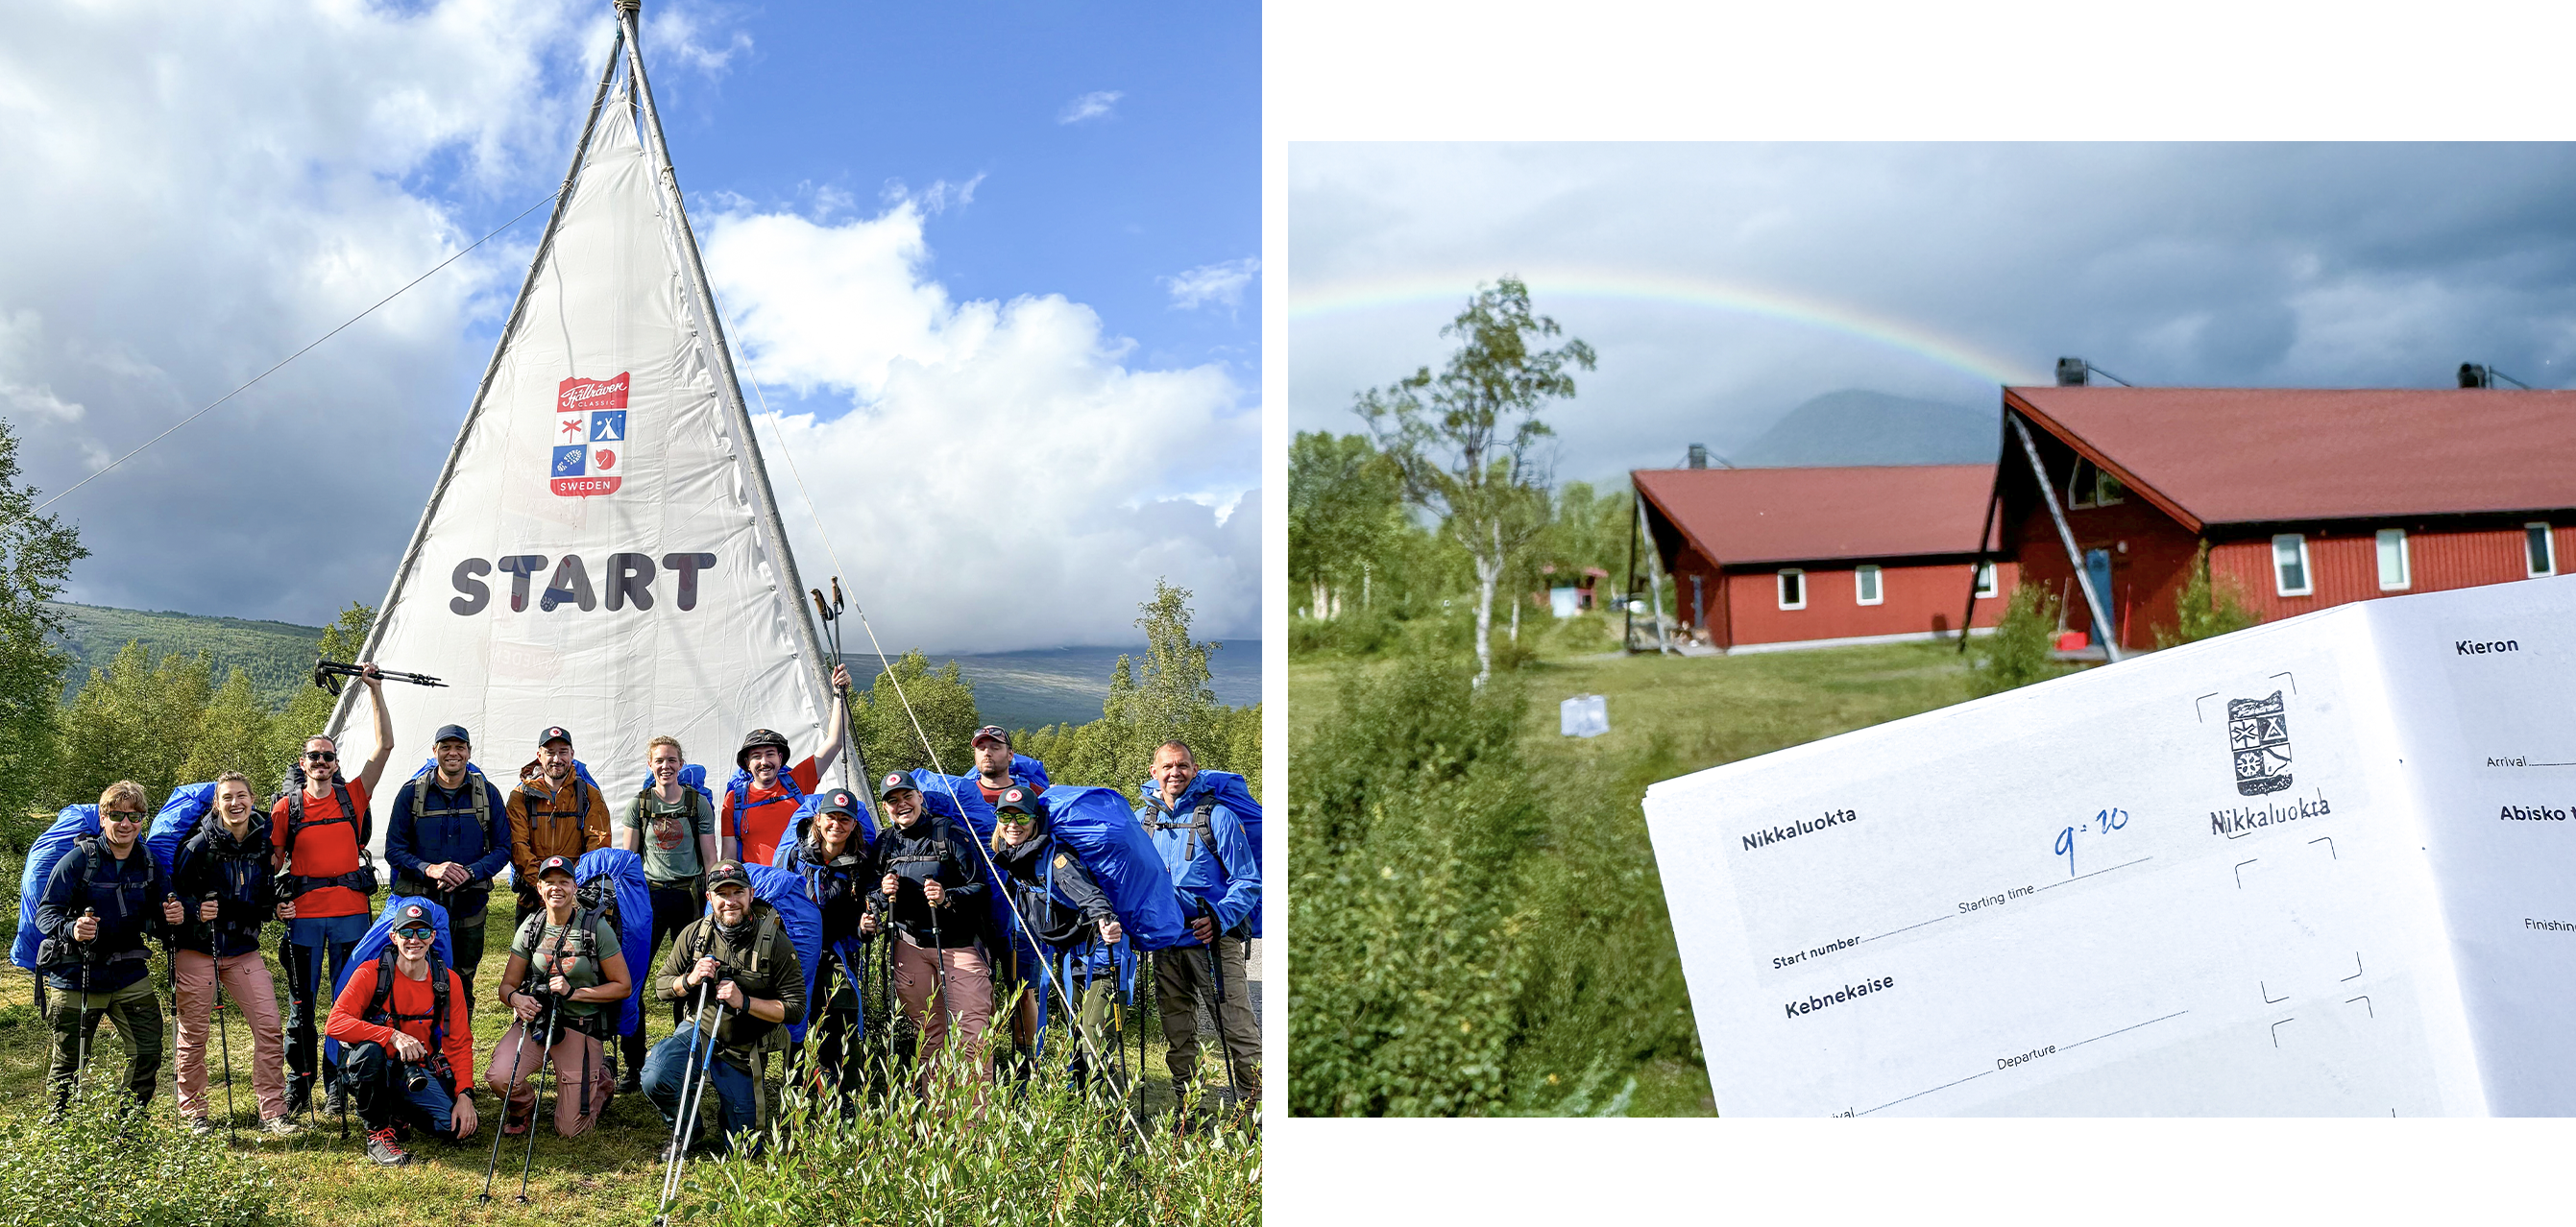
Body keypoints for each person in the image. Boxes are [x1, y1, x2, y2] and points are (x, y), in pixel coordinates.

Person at [272, 663, 396, 1119]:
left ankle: (340, 1085)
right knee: (301, 1008)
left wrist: (375, 690)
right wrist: (273, 900)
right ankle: (298, 1087)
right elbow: (270, 862)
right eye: (314, 757)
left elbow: (384, 746)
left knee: (348, 1004)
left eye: (328, 756)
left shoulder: (353, 796)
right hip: (304, 920)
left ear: (336, 764)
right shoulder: (287, 807)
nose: (321, 762)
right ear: (302, 764)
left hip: (351, 917)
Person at [34, 780, 182, 1115]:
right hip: (76, 973)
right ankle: (61, 1131)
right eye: (116, 815)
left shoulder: (147, 862)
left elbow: (159, 920)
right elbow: (45, 915)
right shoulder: (77, 861)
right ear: (103, 819)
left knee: (147, 1051)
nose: (126, 823)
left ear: (143, 820)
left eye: (134, 816)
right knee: (70, 1060)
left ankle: (128, 1126)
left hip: (128, 974)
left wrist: (171, 915)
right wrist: (73, 928)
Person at [641, 862, 804, 1156]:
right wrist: (690, 979)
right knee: (655, 1075)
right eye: (721, 893)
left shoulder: (775, 942)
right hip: (700, 1031)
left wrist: (746, 1002)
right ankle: (686, 1129)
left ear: (750, 894)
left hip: (743, 1049)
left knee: (744, 1151)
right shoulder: (694, 935)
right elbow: (661, 987)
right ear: (709, 898)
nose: (730, 901)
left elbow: (794, 1008)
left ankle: (731, 1111)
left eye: (737, 892)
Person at [169, 771, 297, 1136]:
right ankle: (195, 1113)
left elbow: (262, 895)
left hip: (243, 948)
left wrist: (278, 908)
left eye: (241, 796)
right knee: (194, 1034)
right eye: (227, 797)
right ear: (217, 804)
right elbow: (171, 898)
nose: (235, 803)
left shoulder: (263, 842)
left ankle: (272, 1110)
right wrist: (196, 911)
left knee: (269, 1026)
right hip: (198, 948)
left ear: (252, 799)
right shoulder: (197, 847)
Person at [1136, 740, 1260, 1108]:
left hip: (1214, 941)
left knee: (1235, 1027)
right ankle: (1190, 1109)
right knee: (1177, 1031)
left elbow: (1248, 880)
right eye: (1168, 766)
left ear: (1194, 769)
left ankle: (1253, 1110)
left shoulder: (1217, 816)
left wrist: (1219, 919)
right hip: (1166, 941)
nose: (1175, 772)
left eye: (1182, 765)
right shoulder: (1146, 820)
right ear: (1153, 772)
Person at [986, 785, 1124, 1091]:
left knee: (1093, 1038)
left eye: (1021, 817)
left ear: (1035, 820)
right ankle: (1083, 1109)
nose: (1012, 824)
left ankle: (1109, 1121)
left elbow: (1090, 896)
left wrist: (1107, 921)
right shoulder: (1015, 860)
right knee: (1076, 1031)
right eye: (1005, 815)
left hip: (1101, 950)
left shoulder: (1055, 860)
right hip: (1069, 955)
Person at [323, 903, 478, 1167]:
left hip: (413, 1070)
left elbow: (459, 1043)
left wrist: (465, 1094)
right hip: (371, 1066)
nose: (414, 940)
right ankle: (378, 1133)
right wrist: (392, 1036)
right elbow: (335, 1024)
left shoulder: (447, 980)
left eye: (422, 932)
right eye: (406, 932)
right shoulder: (370, 973)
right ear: (393, 937)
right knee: (370, 1051)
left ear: (432, 937)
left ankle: (396, 1112)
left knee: (453, 1127)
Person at [865, 772, 992, 1093]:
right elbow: (870, 898)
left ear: (920, 797)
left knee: (971, 1035)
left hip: (958, 946)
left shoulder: (948, 835)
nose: (901, 804)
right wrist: (882, 892)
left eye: (907, 796)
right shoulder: (884, 843)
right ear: (885, 808)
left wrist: (947, 895)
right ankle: (936, 1121)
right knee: (929, 1035)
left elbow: (981, 888)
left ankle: (974, 1129)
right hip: (909, 949)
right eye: (892, 801)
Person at [488, 856, 631, 1139]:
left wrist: (574, 992)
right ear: (539, 888)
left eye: (563, 882)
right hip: (539, 1023)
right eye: (549, 883)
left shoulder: (595, 928)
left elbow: (622, 986)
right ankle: (523, 1106)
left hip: (580, 1024)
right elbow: (506, 987)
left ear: (574, 887)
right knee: (500, 1077)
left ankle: (600, 1082)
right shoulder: (530, 927)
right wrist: (517, 1000)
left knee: (570, 1130)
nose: (557, 888)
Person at [617, 734, 718, 1093]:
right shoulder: (639, 805)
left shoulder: (698, 804)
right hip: (649, 897)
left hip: (689, 896)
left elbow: (710, 857)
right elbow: (629, 860)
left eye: (672, 760)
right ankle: (634, 1063)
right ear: (650, 765)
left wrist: (712, 900)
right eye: (659, 760)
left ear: (681, 763)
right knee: (634, 977)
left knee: (690, 978)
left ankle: (685, 1056)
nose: (666, 766)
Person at [384, 723, 511, 998]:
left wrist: (470, 872)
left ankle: (459, 1040)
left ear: (468, 752)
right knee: (418, 975)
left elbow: (503, 849)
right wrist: (430, 869)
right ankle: (422, 1038)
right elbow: (394, 850)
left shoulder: (488, 794)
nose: (453, 753)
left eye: (459, 747)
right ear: (435, 751)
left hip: (470, 907)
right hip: (421, 908)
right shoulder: (411, 794)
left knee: (463, 979)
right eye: (446, 747)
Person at [777, 786, 873, 1094]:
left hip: (836, 952)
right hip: (796, 952)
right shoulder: (794, 858)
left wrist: (865, 928)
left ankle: (843, 1091)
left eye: (845, 819)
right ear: (817, 819)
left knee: (841, 1014)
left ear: (854, 825)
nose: (837, 824)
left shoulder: (859, 866)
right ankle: (798, 1088)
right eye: (831, 817)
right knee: (798, 1017)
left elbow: (860, 921)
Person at [719, 662, 854, 866]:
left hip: (799, 886)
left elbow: (834, 742)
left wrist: (839, 694)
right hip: (758, 889)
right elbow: (729, 856)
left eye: (770, 754)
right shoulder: (734, 800)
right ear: (747, 764)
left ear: (780, 759)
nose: (764, 762)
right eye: (756, 756)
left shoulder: (798, 781)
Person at [506, 725, 611, 926]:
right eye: (550, 753)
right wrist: (543, 885)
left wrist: (570, 886)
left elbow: (598, 844)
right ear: (539, 755)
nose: (557, 759)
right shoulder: (520, 796)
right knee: (527, 955)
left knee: (575, 957)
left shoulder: (589, 795)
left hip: (577, 896)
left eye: (563, 752)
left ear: (572, 754)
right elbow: (517, 845)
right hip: (532, 896)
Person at [966, 726, 1039, 805]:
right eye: (981, 748)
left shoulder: (1034, 794)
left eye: (995, 748)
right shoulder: (963, 795)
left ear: (1010, 755)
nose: (986, 753)